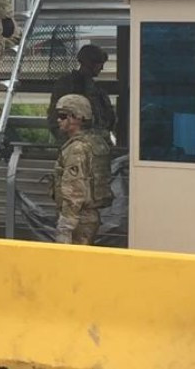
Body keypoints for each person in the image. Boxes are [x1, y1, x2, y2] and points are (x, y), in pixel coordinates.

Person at [51, 95, 113, 245]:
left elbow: (74, 188)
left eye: (63, 116)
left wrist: (66, 226)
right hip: (87, 217)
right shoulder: (95, 141)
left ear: (77, 118)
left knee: (70, 264)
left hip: (77, 219)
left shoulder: (77, 148)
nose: (58, 120)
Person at [46, 44, 116, 143]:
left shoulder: (97, 90)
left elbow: (109, 119)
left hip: (95, 141)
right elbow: (56, 118)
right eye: (99, 63)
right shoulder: (66, 85)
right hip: (75, 142)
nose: (101, 68)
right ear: (90, 63)